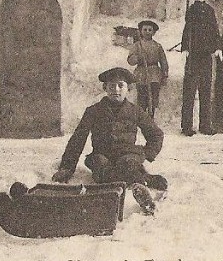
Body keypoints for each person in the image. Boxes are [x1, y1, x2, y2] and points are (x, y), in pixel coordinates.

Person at [51, 67, 167, 212]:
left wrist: (146, 154)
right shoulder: (93, 111)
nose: (116, 90)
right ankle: (143, 180)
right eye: (111, 86)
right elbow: (77, 139)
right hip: (102, 154)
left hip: (127, 154)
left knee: (128, 163)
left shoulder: (135, 111)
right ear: (105, 88)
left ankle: (141, 190)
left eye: (120, 85)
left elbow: (156, 134)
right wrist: (67, 168)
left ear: (129, 89)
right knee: (100, 167)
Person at [180, 0, 221, 136]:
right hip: (193, 55)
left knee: (206, 91)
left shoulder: (210, 10)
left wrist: (217, 47)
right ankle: (187, 126)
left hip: (206, 56)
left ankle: (205, 125)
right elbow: (187, 30)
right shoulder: (191, 10)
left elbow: (214, 30)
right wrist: (185, 48)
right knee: (189, 92)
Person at [127, 20, 169, 118]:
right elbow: (130, 60)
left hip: (154, 74)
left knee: (153, 97)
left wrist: (165, 74)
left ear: (153, 32)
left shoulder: (157, 46)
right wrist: (138, 58)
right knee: (142, 97)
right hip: (141, 73)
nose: (147, 32)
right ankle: (141, 118)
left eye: (150, 30)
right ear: (141, 31)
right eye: (144, 29)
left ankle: (151, 117)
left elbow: (163, 61)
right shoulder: (137, 45)